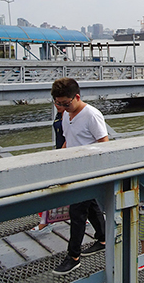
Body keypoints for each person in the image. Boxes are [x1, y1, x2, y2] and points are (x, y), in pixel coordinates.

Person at [51, 78, 109, 276]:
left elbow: (104, 143)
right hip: (74, 171)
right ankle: (103, 238)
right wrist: (59, 157)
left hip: (89, 172)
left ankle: (73, 257)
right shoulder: (67, 115)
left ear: (77, 97)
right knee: (90, 207)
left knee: (77, 213)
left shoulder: (92, 115)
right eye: (58, 103)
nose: (62, 107)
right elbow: (70, 140)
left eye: (65, 103)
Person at [30, 104, 68, 233]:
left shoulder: (73, 116)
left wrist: (61, 154)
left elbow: (72, 137)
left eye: (61, 102)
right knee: (54, 187)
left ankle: (45, 222)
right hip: (60, 155)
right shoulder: (60, 115)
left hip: (67, 156)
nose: (57, 105)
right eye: (56, 102)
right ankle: (45, 221)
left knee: (51, 187)